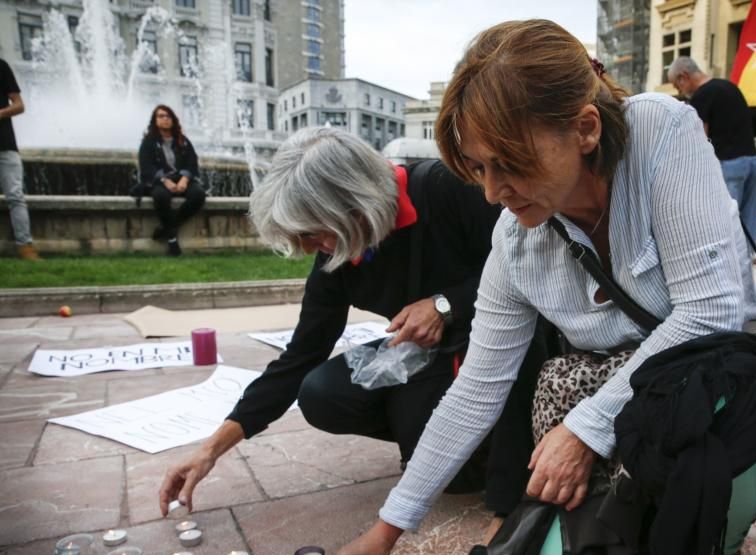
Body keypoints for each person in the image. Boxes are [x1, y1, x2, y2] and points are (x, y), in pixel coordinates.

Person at [325, 19, 756, 555]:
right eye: (480, 170)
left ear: (586, 128)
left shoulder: (662, 132)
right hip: (625, 405)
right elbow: (476, 391)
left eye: (509, 164)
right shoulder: (516, 242)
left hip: (715, 380)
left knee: (738, 460)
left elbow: (711, 311)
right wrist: (387, 528)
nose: (493, 192)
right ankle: (650, 525)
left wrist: (583, 431)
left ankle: (717, 551)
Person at [158, 127, 547, 533]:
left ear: (351, 203)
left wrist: (444, 305)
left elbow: (530, 264)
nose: (309, 247)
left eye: (311, 232)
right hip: (426, 353)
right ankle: (431, 433)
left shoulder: (443, 189)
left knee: (461, 465)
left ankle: (490, 468)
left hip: (497, 342)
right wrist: (209, 451)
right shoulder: (339, 252)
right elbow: (300, 357)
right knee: (320, 392)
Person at [668, 57, 756, 251]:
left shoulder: (702, 96)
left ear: (684, 76)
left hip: (729, 165)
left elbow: (698, 140)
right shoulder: (729, 87)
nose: (680, 91)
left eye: (678, 85)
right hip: (752, 161)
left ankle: (735, 280)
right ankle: (746, 280)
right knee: (747, 238)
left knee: (729, 234)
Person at [137, 105, 206, 256]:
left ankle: (167, 226)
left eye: (168, 116)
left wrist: (185, 179)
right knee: (161, 196)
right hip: (159, 181)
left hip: (181, 179)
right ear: (155, 120)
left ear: (173, 120)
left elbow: (192, 162)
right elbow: (146, 167)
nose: (165, 119)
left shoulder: (183, 141)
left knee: (198, 195)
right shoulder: (148, 142)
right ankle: (172, 239)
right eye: (161, 116)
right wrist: (164, 180)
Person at [0, 58, 39, 261]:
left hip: (5, 145)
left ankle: (25, 246)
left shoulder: (1, 66)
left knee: (15, 196)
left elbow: (19, 105)